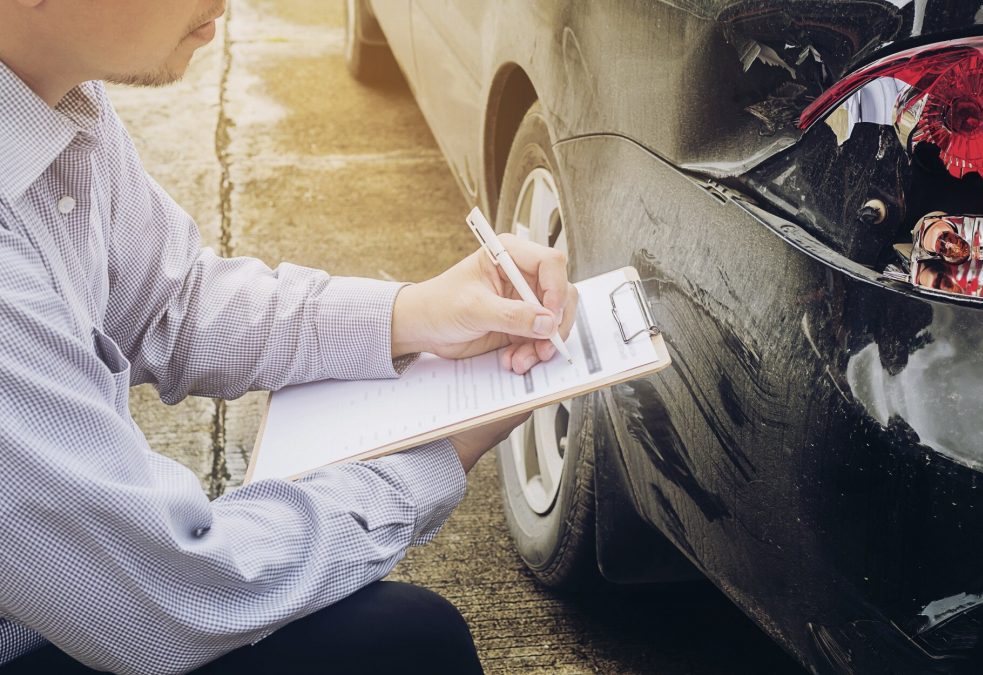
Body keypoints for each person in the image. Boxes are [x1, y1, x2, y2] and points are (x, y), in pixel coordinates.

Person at [0, 0, 578, 673]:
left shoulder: (59, 98)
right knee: (410, 645)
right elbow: (171, 595)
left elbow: (172, 302)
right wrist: (431, 456)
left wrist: (415, 314)